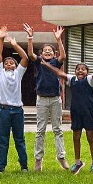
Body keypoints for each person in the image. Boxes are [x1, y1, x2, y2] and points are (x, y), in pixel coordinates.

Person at [25, 23, 67, 171]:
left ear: (53, 54)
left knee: (58, 129)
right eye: (45, 51)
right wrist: (30, 38)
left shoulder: (56, 62)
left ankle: (61, 156)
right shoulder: (39, 62)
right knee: (40, 130)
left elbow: (63, 55)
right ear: (41, 54)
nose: (47, 52)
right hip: (41, 99)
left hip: (55, 99)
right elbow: (30, 54)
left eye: (50, 51)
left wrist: (59, 39)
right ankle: (38, 159)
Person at [0, 27, 30, 173]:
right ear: (2, 66)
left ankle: (24, 165)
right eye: (6, 62)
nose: (8, 64)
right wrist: (1, 38)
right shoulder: (0, 73)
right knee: (3, 140)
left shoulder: (18, 73)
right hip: (3, 110)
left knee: (19, 139)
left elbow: (25, 58)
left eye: (11, 63)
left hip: (17, 111)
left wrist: (14, 45)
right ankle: (1, 166)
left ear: (15, 66)